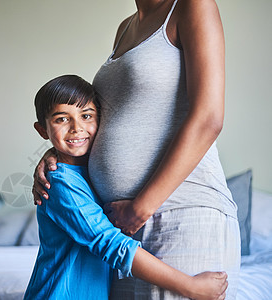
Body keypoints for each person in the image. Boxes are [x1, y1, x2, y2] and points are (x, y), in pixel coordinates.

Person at [32, 0, 241, 299]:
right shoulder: (125, 29)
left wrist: (141, 208)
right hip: (121, 231)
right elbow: (109, 117)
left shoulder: (191, 5)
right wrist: (59, 156)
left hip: (179, 213)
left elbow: (208, 119)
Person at [24, 74, 228, 300]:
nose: (76, 128)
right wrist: (190, 286)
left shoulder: (87, 171)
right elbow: (111, 244)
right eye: (61, 119)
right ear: (42, 130)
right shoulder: (58, 182)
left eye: (87, 116)